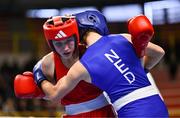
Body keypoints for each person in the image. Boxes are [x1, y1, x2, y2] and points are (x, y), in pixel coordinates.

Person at [34, 10, 169, 117]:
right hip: (157, 104)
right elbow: (159, 53)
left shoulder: (82, 65)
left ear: (77, 33)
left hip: (131, 111)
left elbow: (54, 94)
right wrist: (138, 68)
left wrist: (39, 75)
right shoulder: (123, 37)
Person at [14, 14, 116, 117]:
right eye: (59, 44)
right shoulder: (48, 63)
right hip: (72, 114)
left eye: (69, 41)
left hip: (103, 112)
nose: (65, 48)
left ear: (76, 37)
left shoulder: (90, 52)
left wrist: (39, 77)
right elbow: (53, 94)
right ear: (51, 44)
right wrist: (39, 92)